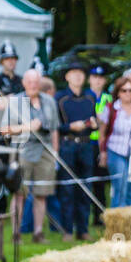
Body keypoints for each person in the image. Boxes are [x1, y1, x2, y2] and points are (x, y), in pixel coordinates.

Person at [2, 68, 60, 243]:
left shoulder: (49, 101)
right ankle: (15, 233)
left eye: (36, 81)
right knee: (20, 194)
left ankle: (38, 233)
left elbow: (55, 129)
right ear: (24, 83)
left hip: (45, 152)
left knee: (42, 194)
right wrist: (27, 127)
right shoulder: (15, 102)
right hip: (23, 151)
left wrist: (56, 153)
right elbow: (5, 130)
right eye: (30, 81)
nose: (33, 85)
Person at [54, 62, 99, 241]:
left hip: (86, 146)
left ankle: (83, 229)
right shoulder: (60, 97)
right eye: (74, 73)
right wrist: (69, 127)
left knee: (85, 188)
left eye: (81, 73)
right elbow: (55, 125)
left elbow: (94, 120)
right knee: (67, 189)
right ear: (67, 77)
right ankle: (67, 230)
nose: (78, 77)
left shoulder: (90, 97)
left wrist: (94, 125)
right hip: (68, 145)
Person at [97, 74, 131, 209]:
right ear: (118, 92)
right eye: (124, 90)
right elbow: (102, 133)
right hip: (116, 151)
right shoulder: (111, 108)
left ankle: (129, 221)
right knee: (120, 186)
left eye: (130, 90)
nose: (127, 93)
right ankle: (117, 222)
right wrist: (102, 152)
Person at [88, 65, 112, 224]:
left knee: (100, 182)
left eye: (100, 78)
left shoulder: (108, 99)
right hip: (86, 141)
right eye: (95, 77)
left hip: (101, 143)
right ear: (90, 79)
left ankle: (99, 216)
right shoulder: (84, 96)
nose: (97, 81)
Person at [0, 41, 25, 132]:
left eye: (13, 58)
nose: (11, 61)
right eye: (7, 59)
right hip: (0, 128)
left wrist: (9, 98)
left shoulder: (21, 80)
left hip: (18, 127)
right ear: (2, 61)